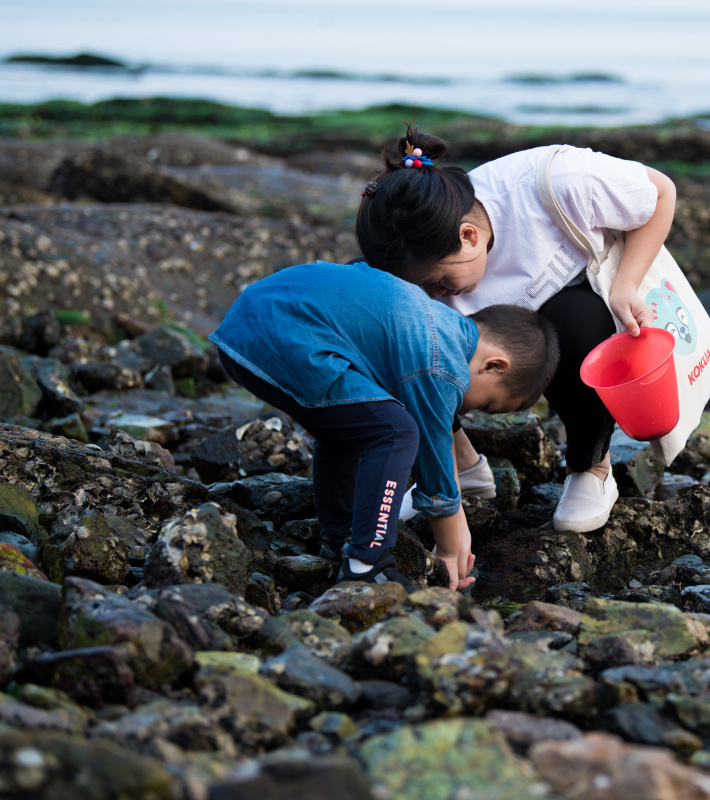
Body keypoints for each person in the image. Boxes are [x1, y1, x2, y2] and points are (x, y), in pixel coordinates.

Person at [356, 126, 676, 532]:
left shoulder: (559, 183)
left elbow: (661, 193)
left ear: (468, 236)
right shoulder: (422, 268)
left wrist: (626, 284)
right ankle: (461, 465)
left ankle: (591, 467)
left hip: (571, 315)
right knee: (382, 326)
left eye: (438, 282)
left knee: (577, 324)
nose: (433, 294)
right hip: (487, 337)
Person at [209, 261, 559, 592]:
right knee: (397, 432)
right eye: (487, 404)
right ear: (494, 365)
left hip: (251, 324)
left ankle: (339, 537)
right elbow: (434, 465)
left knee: (351, 427)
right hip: (285, 334)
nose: (470, 411)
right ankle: (368, 561)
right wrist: (449, 550)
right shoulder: (442, 365)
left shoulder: (434, 323)